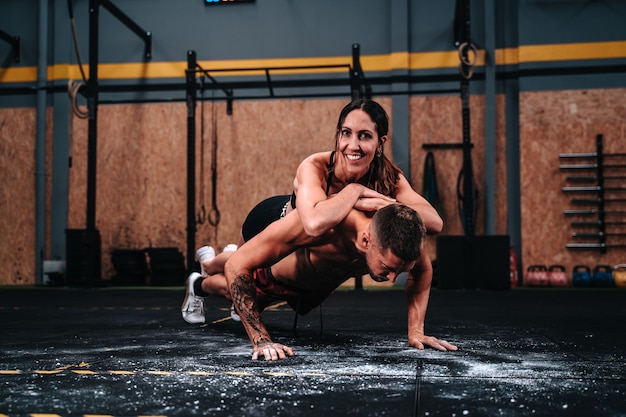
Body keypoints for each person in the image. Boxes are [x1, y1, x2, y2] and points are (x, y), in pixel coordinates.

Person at [189, 203, 457, 361]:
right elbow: (239, 267)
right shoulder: (322, 227)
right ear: (366, 240)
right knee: (237, 284)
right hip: (270, 236)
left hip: (311, 281)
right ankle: (201, 278)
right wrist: (261, 340)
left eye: (399, 272)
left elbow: (422, 270)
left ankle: (220, 261)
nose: (391, 279)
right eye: (387, 269)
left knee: (253, 298)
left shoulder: (399, 240)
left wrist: (416, 331)